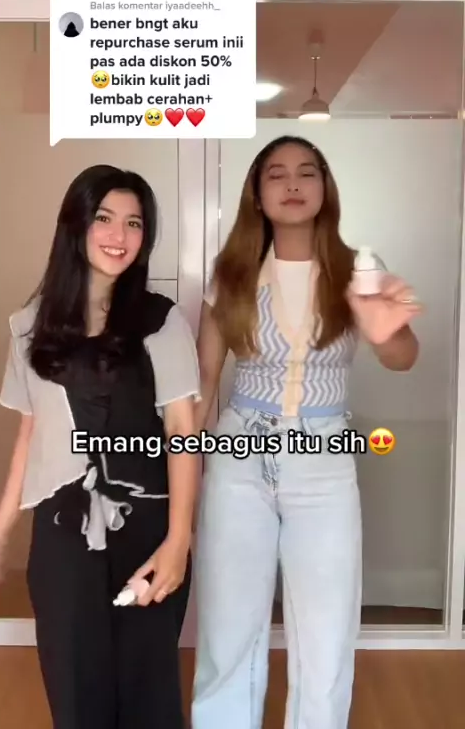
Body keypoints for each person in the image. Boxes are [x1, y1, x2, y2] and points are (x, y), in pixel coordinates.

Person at [191, 135, 421, 729]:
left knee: (325, 632)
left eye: (306, 172)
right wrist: (182, 474)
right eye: (276, 174)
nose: (292, 183)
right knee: (228, 628)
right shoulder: (231, 274)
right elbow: (204, 381)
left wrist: (388, 329)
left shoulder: (356, 270)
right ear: (257, 193)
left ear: (324, 187)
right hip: (239, 454)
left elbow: (401, 357)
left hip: (324, 458)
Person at [0, 164, 201, 729]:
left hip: (147, 533)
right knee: (76, 695)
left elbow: (183, 432)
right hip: (63, 536)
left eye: (134, 223)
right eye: (104, 218)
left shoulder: (161, 322)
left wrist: (179, 540)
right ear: (76, 224)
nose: (119, 235)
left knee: (148, 694)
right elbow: (31, 435)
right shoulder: (29, 326)